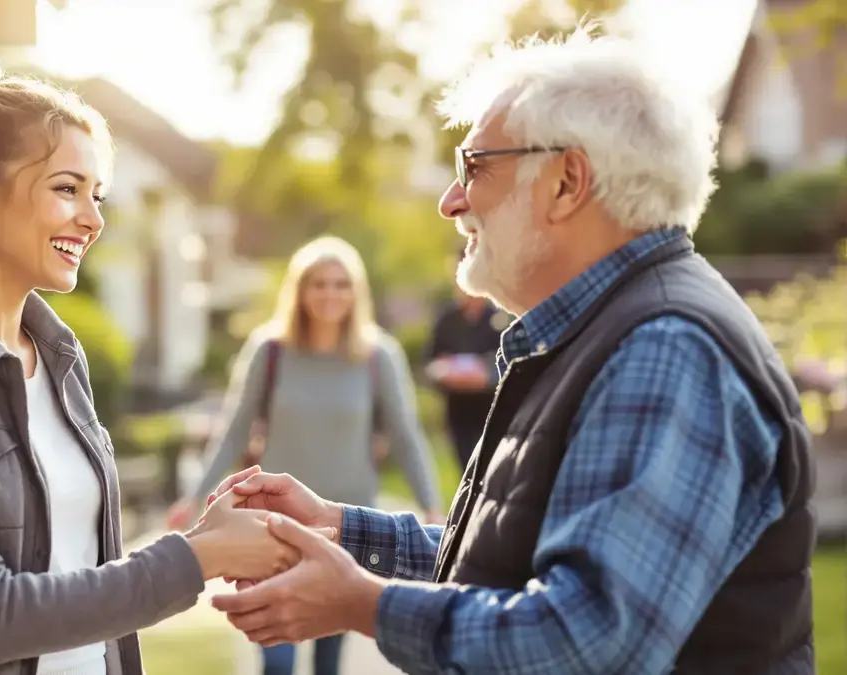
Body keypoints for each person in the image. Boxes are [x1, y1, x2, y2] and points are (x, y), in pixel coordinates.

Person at [203, 25, 816, 675]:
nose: (450, 200)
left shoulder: (664, 349)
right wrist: (340, 528)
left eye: (474, 165)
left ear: (566, 181)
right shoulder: (610, 333)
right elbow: (513, 555)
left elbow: (586, 643)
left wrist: (365, 604)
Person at [0, 43, 321, 675]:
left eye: (97, 195)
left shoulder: (58, 355)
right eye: (67, 189)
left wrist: (205, 539)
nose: (93, 219)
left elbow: (76, 569)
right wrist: (198, 557)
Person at [164, 236, 443, 675]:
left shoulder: (377, 356)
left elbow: (407, 438)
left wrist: (431, 505)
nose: (330, 294)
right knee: (276, 657)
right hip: (275, 523)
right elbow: (235, 430)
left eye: (340, 284)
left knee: (328, 660)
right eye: (318, 284)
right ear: (300, 289)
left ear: (356, 292)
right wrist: (196, 496)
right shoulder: (270, 351)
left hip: (348, 528)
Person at [423, 256, 508, 468]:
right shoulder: (447, 320)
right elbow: (430, 362)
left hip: (493, 413)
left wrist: (486, 375)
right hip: (458, 414)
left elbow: (510, 364)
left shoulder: (499, 319)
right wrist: (443, 373)